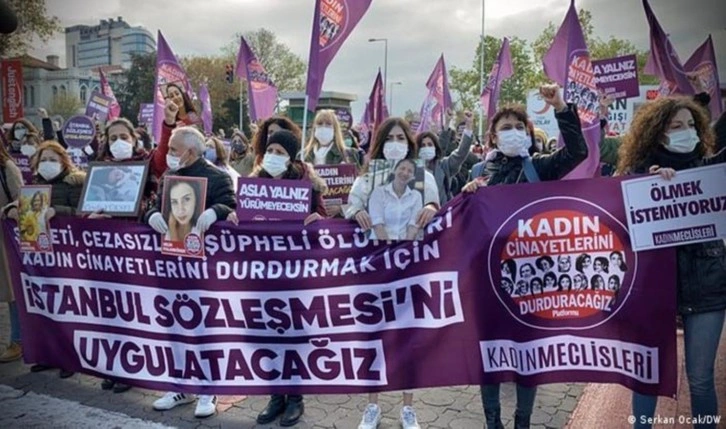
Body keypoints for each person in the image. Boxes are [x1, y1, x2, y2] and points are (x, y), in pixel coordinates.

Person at [461, 84, 588, 429]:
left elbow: (578, 151)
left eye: (520, 127)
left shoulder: (539, 168)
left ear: (529, 135)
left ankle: (523, 421)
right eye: (506, 127)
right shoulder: (477, 173)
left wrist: (560, 107)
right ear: (493, 136)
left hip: (531, 278)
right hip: (487, 278)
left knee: (529, 355)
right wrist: (465, 197)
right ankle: (493, 422)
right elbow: (462, 225)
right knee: (490, 354)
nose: (514, 132)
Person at [616, 96, 725, 429]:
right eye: (676, 126)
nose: (686, 132)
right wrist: (646, 182)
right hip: (655, 291)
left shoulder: (713, 171)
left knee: (701, 378)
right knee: (647, 376)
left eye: (691, 125)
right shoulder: (637, 175)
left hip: (707, 287)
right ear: (657, 133)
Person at [349, 118, 440, 429]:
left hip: (412, 269)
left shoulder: (424, 178)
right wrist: (356, 212)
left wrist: (432, 207)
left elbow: (435, 207)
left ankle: (408, 408)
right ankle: (372, 406)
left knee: (409, 337)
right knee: (375, 336)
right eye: (390, 138)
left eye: (401, 138)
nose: (396, 143)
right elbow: (352, 207)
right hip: (376, 270)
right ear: (380, 144)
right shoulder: (367, 179)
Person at [231, 129, 325, 427]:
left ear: (291, 157)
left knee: (293, 336)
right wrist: (234, 217)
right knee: (267, 334)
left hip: (295, 275)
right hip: (261, 275)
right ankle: (275, 396)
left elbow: (324, 226)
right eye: (270, 150)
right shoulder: (252, 186)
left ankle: (295, 398)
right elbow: (241, 221)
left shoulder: (307, 187)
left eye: (280, 152)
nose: (273, 156)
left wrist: (319, 220)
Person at [145, 126, 236, 419]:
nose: (168, 154)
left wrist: (216, 211)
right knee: (176, 328)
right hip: (173, 264)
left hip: (205, 268)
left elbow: (233, 207)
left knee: (205, 328)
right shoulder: (169, 177)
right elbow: (151, 205)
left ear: (191, 152)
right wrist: (152, 215)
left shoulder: (218, 177)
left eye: (173, 149)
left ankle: (209, 389)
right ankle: (180, 387)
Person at [3, 140, 86, 378]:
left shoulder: (74, 184)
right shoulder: (34, 186)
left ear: (63, 161)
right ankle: (50, 355)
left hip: (67, 258)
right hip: (41, 259)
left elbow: (82, 213)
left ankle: (70, 359)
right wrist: (10, 210)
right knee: (46, 309)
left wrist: (57, 211)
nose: (48, 164)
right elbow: (21, 207)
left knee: (68, 311)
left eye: (53, 160)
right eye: (43, 160)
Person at [303, 109, 361, 217]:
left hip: (339, 220)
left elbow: (359, 190)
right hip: (311, 217)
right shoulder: (303, 156)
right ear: (314, 128)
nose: (323, 127)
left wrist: (341, 208)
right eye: (320, 124)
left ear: (335, 129)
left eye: (328, 124)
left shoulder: (349, 155)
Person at [417, 111, 474, 205]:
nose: (426, 147)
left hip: (442, 211)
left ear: (435, 148)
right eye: (423, 145)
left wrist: (468, 126)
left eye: (430, 145)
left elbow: (461, 153)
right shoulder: (412, 169)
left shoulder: (444, 166)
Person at [0, 143, 23, 363]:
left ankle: (18, 340)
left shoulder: (6, 167)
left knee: (12, 291)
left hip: (4, 236)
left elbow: (21, 198)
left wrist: (6, 210)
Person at [368, 159, 423, 241]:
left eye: (410, 171)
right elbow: (377, 224)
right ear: (394, 170)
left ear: (413, 177)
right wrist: (390, 246)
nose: (405, 173)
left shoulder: (416, 196)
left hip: (404, 243)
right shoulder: (379, 192)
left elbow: (413, 226)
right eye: (402, 168)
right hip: (380, 243)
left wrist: (405, 246)